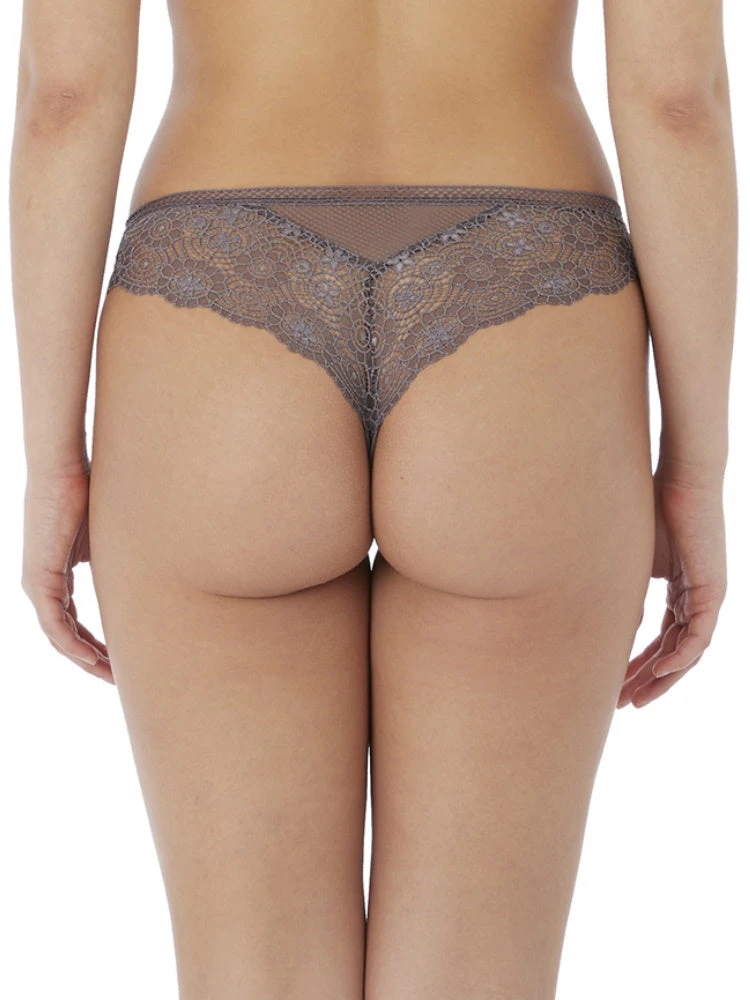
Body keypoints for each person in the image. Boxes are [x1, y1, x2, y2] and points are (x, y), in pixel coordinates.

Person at [9, 0, 736, 997]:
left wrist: (52, 463)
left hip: (215, 311)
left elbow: (64, 96)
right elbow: (676, 100)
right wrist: (694, 471)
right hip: (528, 311)